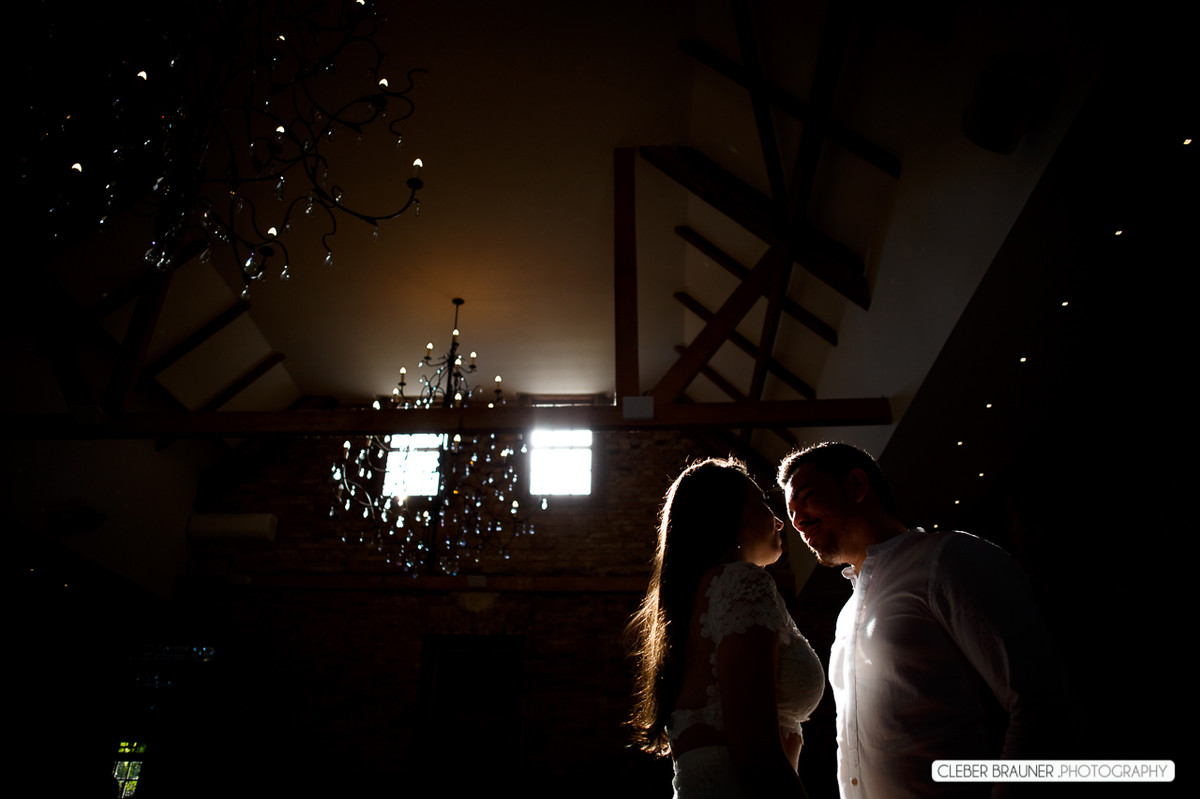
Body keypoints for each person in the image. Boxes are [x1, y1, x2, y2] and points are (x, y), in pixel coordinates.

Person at [777, 442, 1068, 798]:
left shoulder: (948, 559)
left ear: (856, 485)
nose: (798, 519)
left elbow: (1041, 701)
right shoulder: (846, 613)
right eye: (791, 512)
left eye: (806, 498)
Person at [627, 457, 823, 798]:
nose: (779, 522)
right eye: (763, 503)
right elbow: (756, 754)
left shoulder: (692, 598)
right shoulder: (742, 581)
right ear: (728, 515)